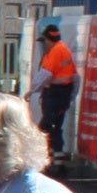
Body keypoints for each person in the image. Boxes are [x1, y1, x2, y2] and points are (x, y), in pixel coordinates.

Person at [33, 24, 78, 162]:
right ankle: (55, 153)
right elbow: (74, 77)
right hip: (60, 92)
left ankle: (36, 151)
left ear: (48, 39)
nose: (44, 45)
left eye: (44, 41)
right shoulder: (61, 49)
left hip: (57, 93)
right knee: (55, 126)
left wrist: (32, 91)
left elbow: (45, 75)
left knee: (46, 125)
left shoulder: (56, 52)